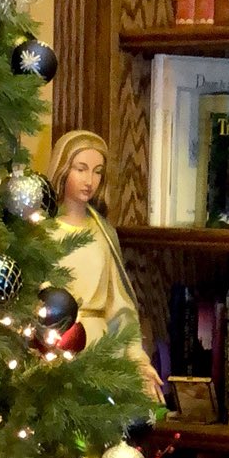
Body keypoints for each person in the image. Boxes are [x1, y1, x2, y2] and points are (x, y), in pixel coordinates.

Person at [46, 127, 163, 400]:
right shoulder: (44, 230)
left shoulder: (102, 231)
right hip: (54, 348)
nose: (90, 180)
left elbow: (120, 306)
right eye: (81, 168)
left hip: (100, 347)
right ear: (63, 169)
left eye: (98, 171)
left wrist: (137, 358)